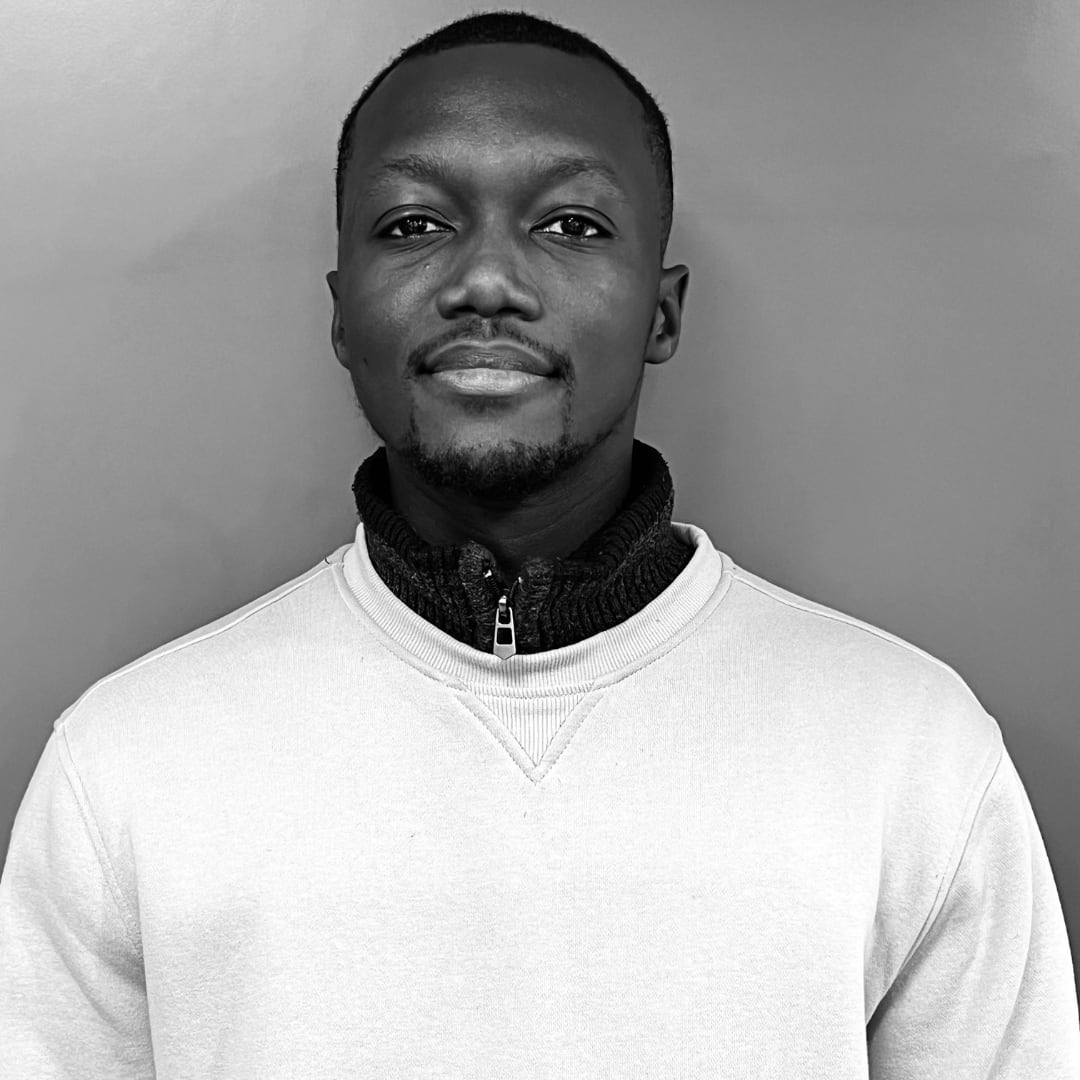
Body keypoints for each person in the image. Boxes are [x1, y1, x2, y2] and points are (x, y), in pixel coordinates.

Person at [1, 9, 1078, 1077]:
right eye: (412, 225)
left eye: (572, 225)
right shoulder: (128, 766)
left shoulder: (908, 751)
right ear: (340, 312)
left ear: (662, 315)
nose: (486, 283)